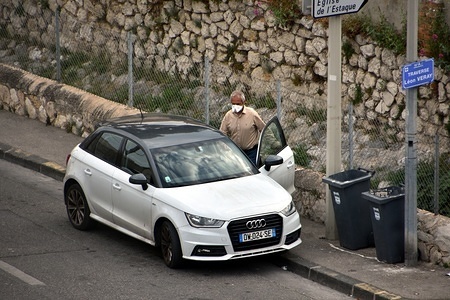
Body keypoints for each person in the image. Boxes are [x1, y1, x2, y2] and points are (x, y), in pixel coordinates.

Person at [220, 90, 265, 165]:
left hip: (251, 152)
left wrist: (274, 144)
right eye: (233, 104)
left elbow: (263, 129)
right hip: (236, 152)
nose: (235, 106)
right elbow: (222, 133)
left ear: (243, 103)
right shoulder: (228, 116)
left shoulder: (252, 114)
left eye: (238, 104)